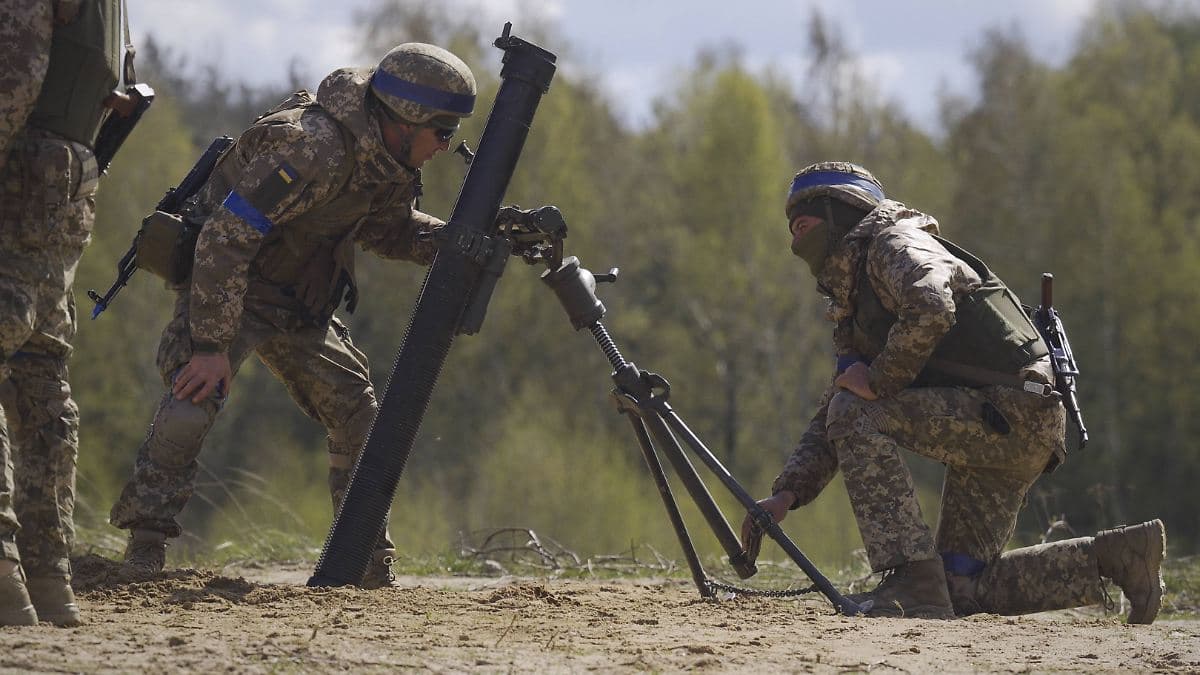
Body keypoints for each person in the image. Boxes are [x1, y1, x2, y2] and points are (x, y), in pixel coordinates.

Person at [106, 43, 476, 587]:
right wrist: (211, 347)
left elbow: (386, 230)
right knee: (194, 395)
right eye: (442, 132)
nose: (446, 147)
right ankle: (144, 549)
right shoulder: (312, 148)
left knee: (356, 408)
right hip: (228, 284)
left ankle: (367, 557)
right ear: (405, 120)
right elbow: (225, 238)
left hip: (296, 299)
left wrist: (458, 241)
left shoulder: (389, 161)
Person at [740, 161, 1166, 622]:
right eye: (790, 221)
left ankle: (910, 578)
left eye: (806, 210)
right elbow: (838, 400)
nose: (794, 226)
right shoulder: (851, 305)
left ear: (844, 209)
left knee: (860, 413)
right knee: (961, 589)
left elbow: (930, 305)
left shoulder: (893, 243)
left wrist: (881, 381)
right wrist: (787, 494)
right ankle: (1119, 558)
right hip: (1008, 422)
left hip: (1012, 410)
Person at [1, 0, 127, 627]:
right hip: (66, 180)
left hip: (18, 174)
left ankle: (4, 579)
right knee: (40, 377)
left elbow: (14, 79)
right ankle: (48, 580)